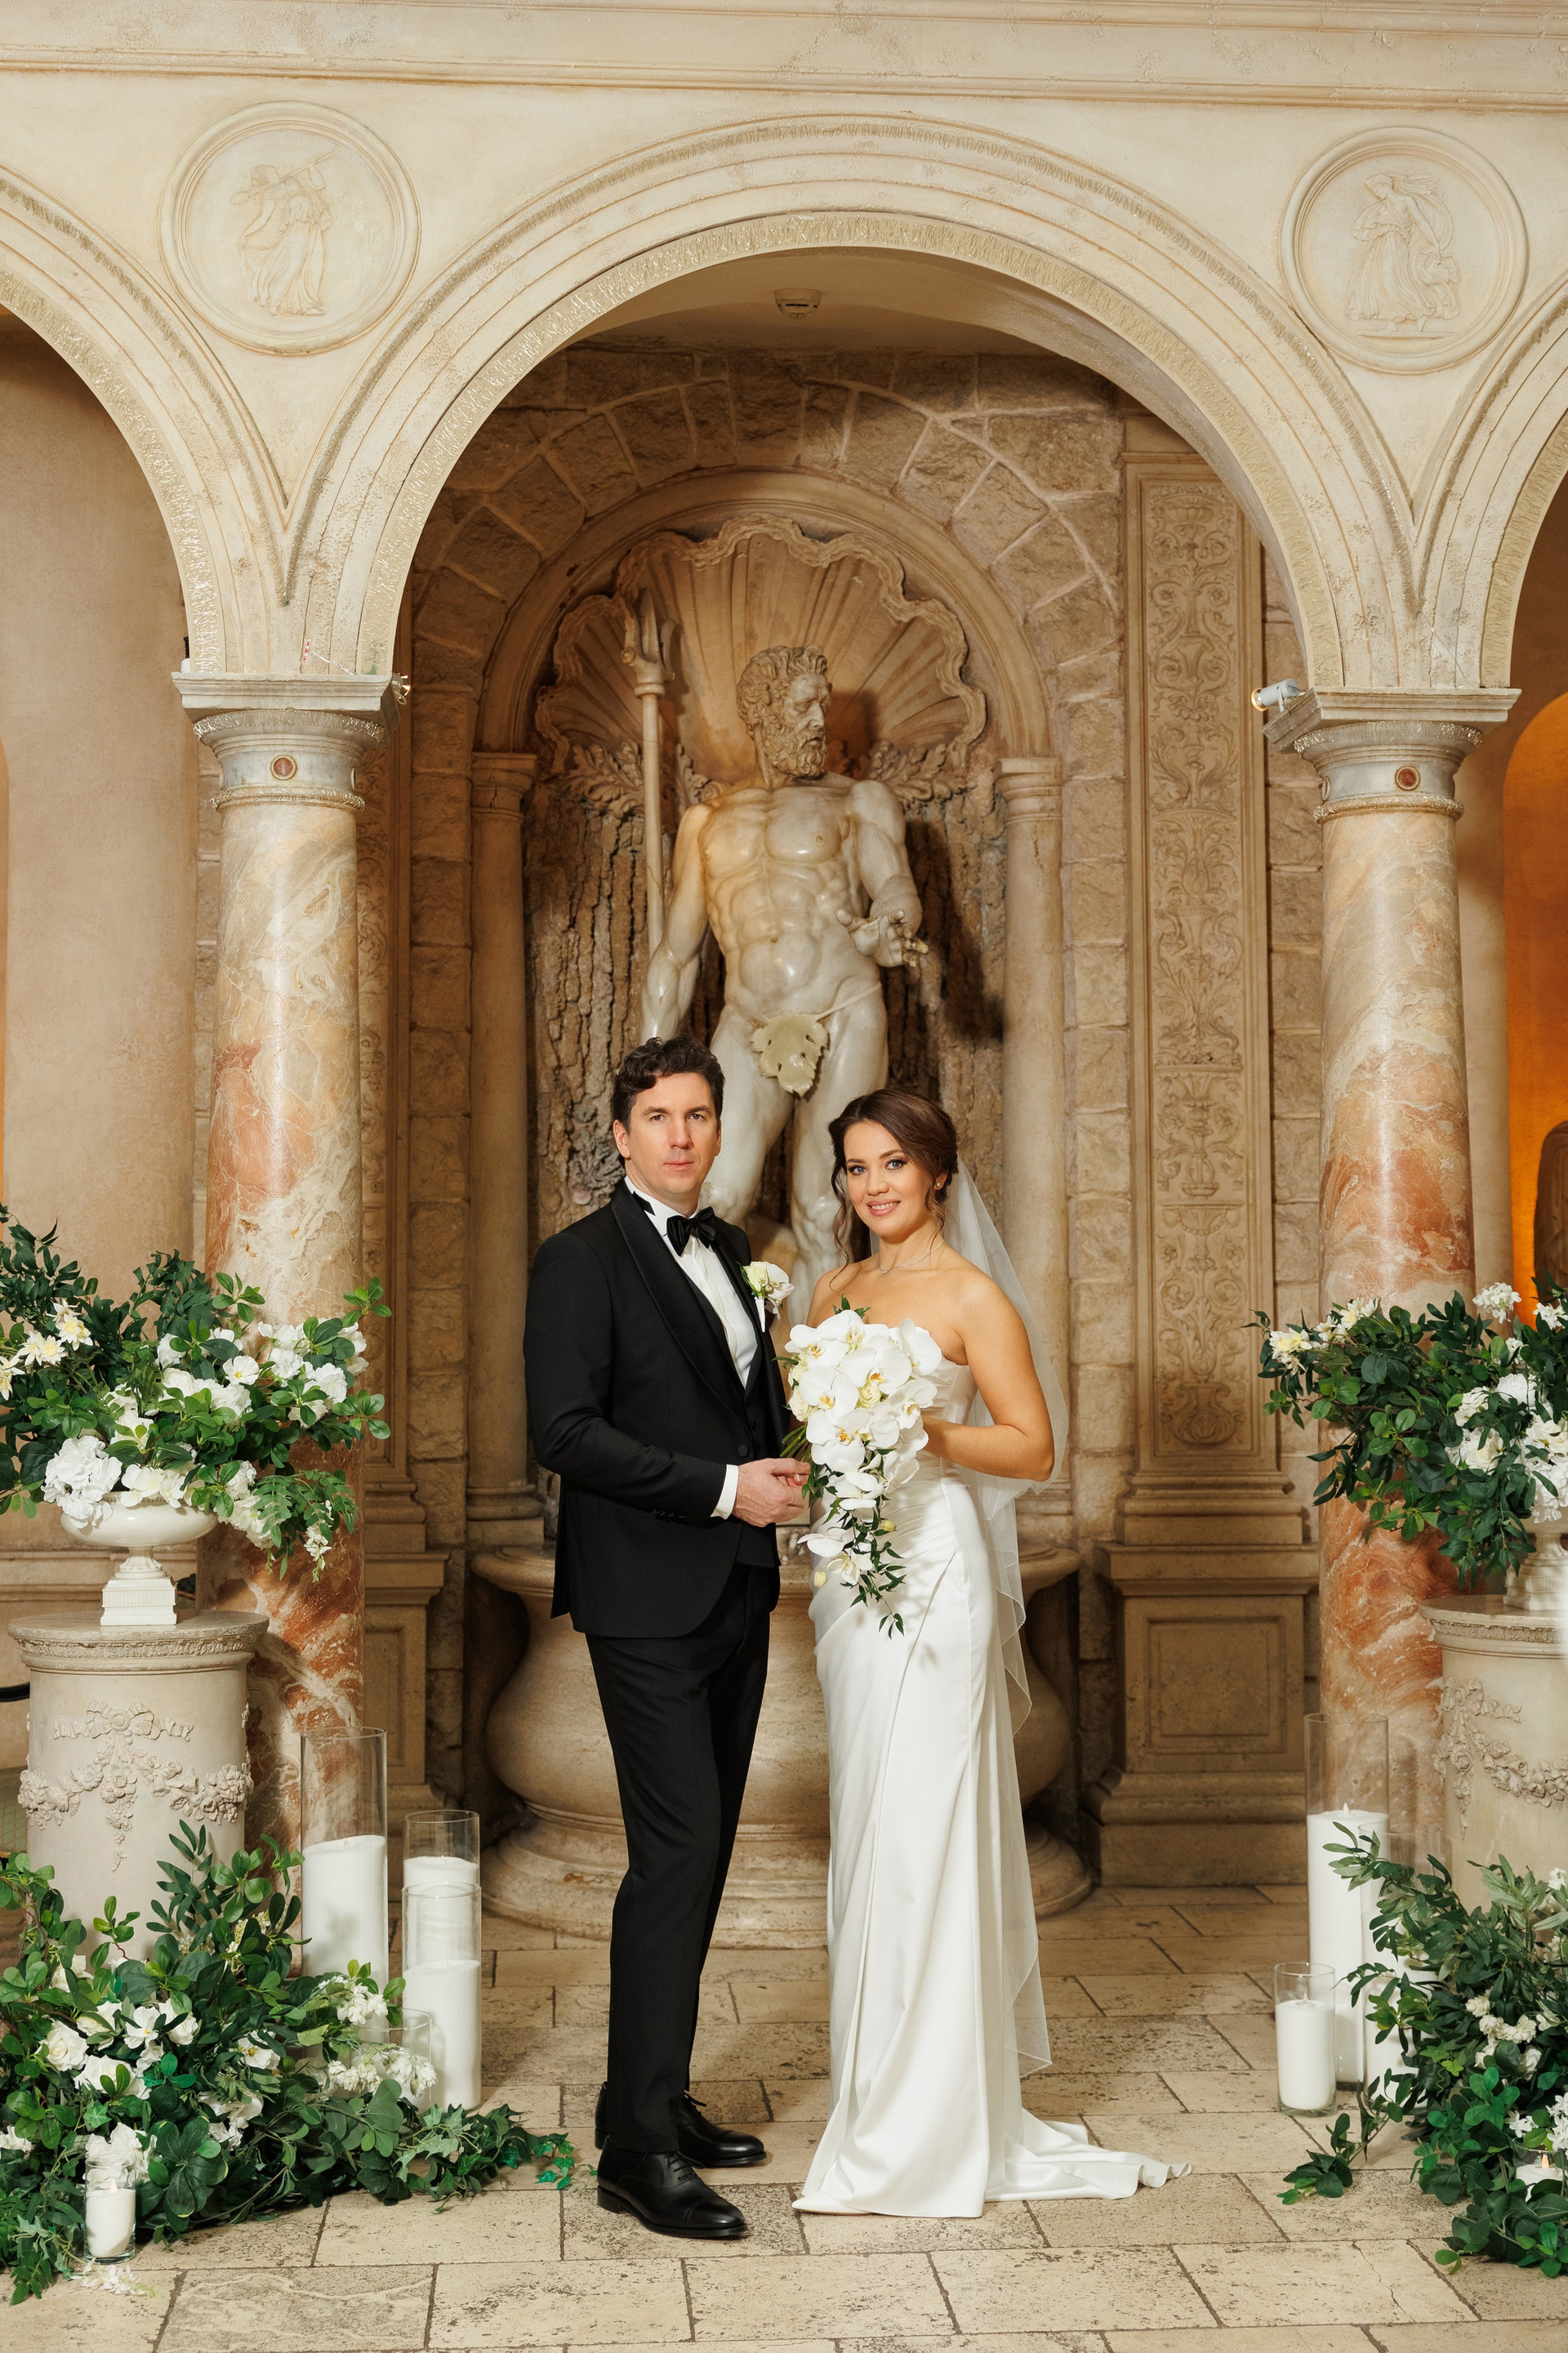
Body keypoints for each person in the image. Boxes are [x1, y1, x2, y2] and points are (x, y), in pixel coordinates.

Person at [793, 1088, 1186, 2216]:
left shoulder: (972, 1295)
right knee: (869, 1830)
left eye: (893, 1163)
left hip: (938, 1570)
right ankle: (877, 2101)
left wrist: (919, 1430)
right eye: (856, 1166)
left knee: (929, 1829)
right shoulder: (834, 1290)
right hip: (856, 1574)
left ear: (937, 1174)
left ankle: (934, 2125)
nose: (873, 1184)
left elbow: (1032, 1447)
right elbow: (819, 1435)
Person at [524, 1035, 806, 2239]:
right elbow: (564, 1432)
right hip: (644, 1596)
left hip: (737, 1587)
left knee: (704, 1850)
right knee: (676, 1853)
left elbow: (744, 1407)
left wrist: (805, 1459)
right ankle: (635, 2150)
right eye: (660, 1117)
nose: (682, 1135)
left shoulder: (732, 1250)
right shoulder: (579, 1260)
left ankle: (658, 2097)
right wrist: (724, 1490)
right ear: (623, 1134)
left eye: (699, 1114)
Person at [639, 644, 927, 1293]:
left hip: (843, 1008)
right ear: (763, 715)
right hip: (748, 1020)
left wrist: (890, 927)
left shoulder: (861, 800)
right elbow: (678, 958)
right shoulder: (708, 822)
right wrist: (646, 1074)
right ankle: (712, 1355)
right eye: (803, 707)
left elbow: (896, 888)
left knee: (824, 1212)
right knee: (714, 1200)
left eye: (823, 706)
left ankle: (824, 1361)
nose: (820, 722)